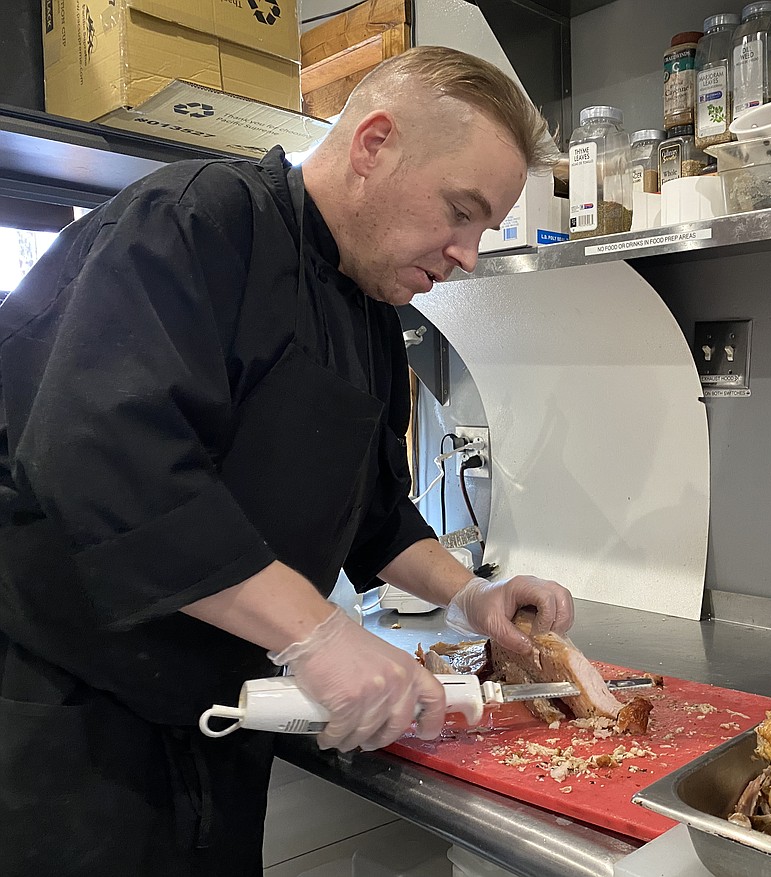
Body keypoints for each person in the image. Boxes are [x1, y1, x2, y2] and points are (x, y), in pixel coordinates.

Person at [0, 46, 571, 876]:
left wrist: (472, 595)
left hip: (223, 717)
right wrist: (317, 632)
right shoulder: (193, 222)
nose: (468, 255)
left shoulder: (371, 310)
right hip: (73, 722)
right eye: (461, 211)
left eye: (483, 230)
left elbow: (372, 514)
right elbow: (104, 458)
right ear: (374, 144)